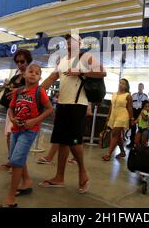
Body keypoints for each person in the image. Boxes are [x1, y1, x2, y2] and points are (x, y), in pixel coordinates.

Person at [39, 33, 106, 193]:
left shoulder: (85, 57)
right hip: (62, 105)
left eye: (73, 40)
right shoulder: (63, 61)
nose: (69, 42)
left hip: (77, 105)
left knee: (74, 142)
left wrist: (81, 73)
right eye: (67, 41)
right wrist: (35, 91)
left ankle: (83, 173)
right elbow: (51, 78)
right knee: (62, 142)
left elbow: (102, 73)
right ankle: (59, 177)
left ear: (80, 43)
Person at [0, 63, 53, 208]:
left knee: (16, 160)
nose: (33, 74)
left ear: (40, 77)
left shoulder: (40, 91)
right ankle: (26, 182)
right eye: (31, 71)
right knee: (14, 158)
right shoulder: (18, 92)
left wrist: (34, 121)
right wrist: (12, 119)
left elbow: (49, 109)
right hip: (16, 129)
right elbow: (11, 109)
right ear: (24, 74)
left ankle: (10, 198)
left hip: (29, 130)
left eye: (37, 72)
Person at [0, 49, 33, 171]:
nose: (19, 64)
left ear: (28, 61)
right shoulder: (16, 76)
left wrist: (17, 91)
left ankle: (17, 164)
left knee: (18, 137)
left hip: (23, 111)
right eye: (17, 61)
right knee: (9, 135)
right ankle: (11, 160)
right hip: (11, 110)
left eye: (22, 61)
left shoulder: (31, 75)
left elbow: (34, 90)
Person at [102, 79, 133, 161]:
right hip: (113, 115)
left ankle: (108, 154)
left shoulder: (128, 95)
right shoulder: (114, 94)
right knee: (118, 135)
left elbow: (130, 108)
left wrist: (131, 118)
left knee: (115, 134)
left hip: (122, 115)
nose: (121, 84)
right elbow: (111, 106)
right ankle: (122, 152)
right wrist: (108, 116)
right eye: (120, 83)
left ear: (126, 86)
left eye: (123, 83)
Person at [127, 83, 148, 148]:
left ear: (143, 88)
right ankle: (131, 142)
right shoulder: (133, 95)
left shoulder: (145, 96)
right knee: (133, 127)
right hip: (134, 112)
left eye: (141, 86)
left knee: (140, 128)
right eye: (139, 86)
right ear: (138, 87)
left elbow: (146, 106)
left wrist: (142, 114)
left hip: (141, 112)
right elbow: (130, 105)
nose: (140, 88)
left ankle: (139, 143)